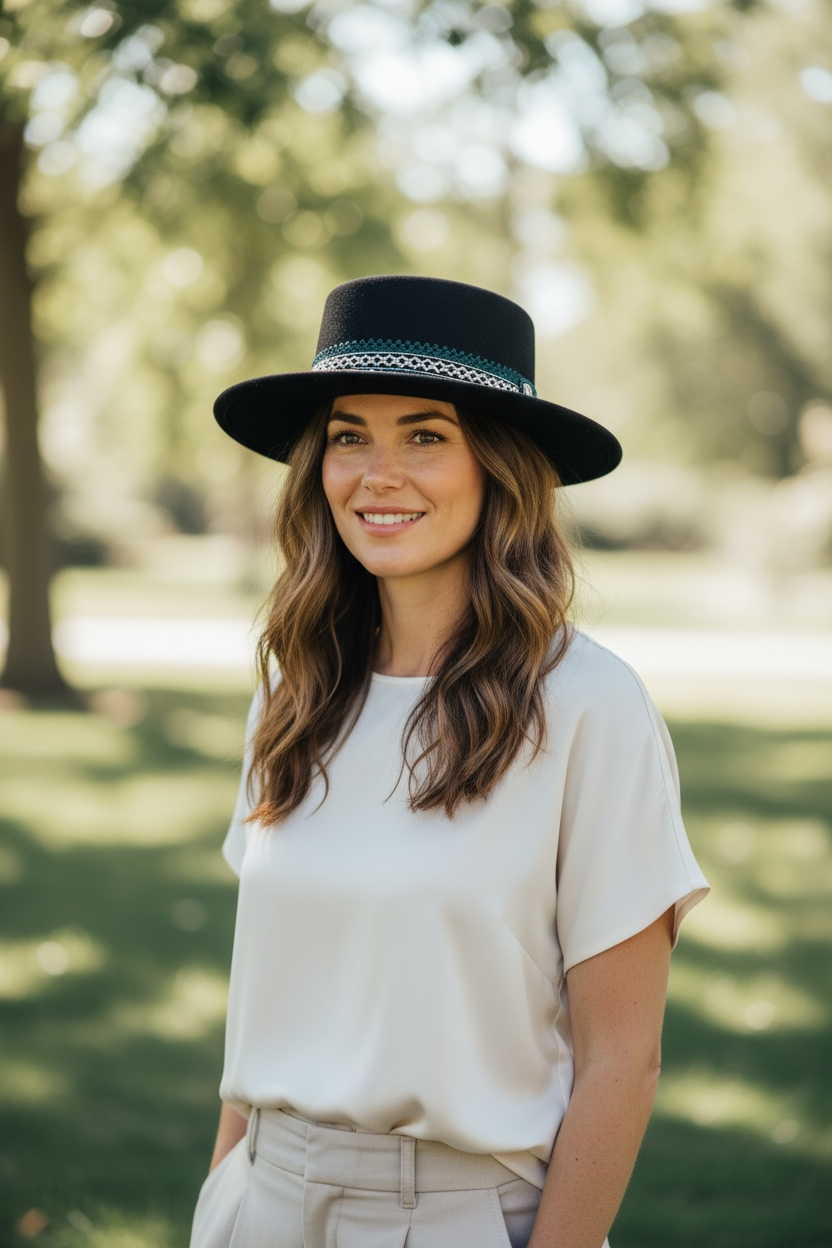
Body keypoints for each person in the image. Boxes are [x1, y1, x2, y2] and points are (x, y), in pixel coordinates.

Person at [189, 275, 709, 1248]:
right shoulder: (294, 692)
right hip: (257, 1200)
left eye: (424, 434)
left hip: (451, 1217)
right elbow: (268, 991)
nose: (377, 472)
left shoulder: (587, 708)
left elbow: (621, 1061)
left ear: (498, 469)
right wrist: (222, 1198)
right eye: (349, 434)